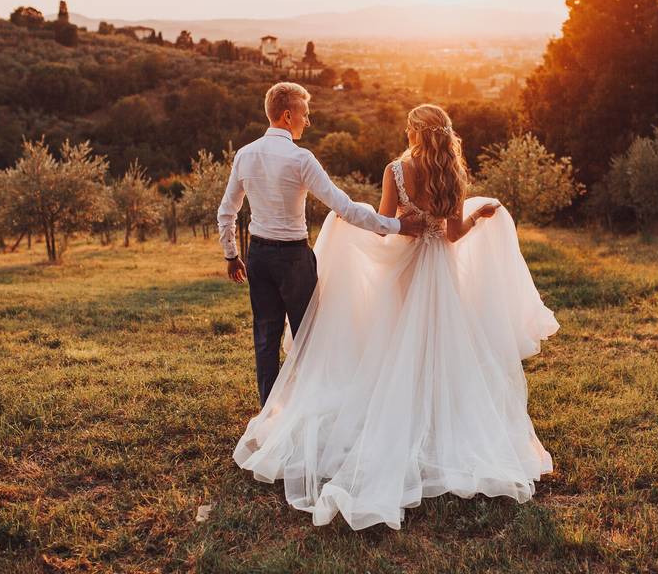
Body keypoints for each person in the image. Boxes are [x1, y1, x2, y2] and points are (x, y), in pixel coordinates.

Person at [232, 103, 560, 530]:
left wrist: (358, 222)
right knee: (439, 343)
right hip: (441, 267)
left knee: (401, 338)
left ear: (412, 133)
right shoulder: (452, 173)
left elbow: (387, 224)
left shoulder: (396, 171)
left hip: (406, 264)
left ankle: (400, 410)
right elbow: (455, 233)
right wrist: (478, 215)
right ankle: (440, 416)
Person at [217, 82, 426, 407]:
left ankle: (270, 412)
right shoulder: (301, 159)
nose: (308, 121)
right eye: (305, 114)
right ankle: (308, 410)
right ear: (288, 115)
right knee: (309, 339)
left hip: (257, 256)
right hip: (293, 259)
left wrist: (231, 255)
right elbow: (344, 208)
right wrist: (396, 225)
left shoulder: (244, 155)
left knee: (265, 335)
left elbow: (226, 211)